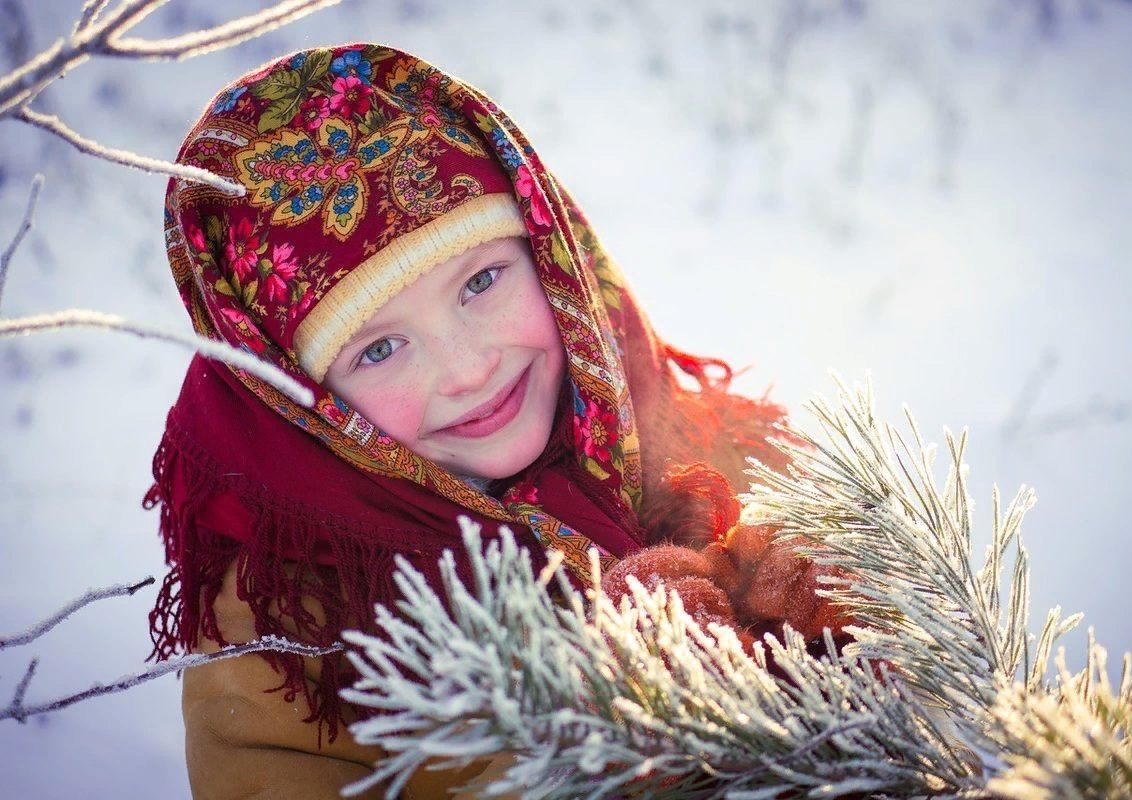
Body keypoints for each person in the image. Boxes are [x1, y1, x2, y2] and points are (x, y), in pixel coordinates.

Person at [144, 42, 849, 799]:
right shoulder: (285, 636)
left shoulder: (710, 450)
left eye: (480, 280)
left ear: (550, 255)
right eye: (380, 347)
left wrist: (828, 632)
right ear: (299, 400)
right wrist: (611, 718)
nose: (468, 369)